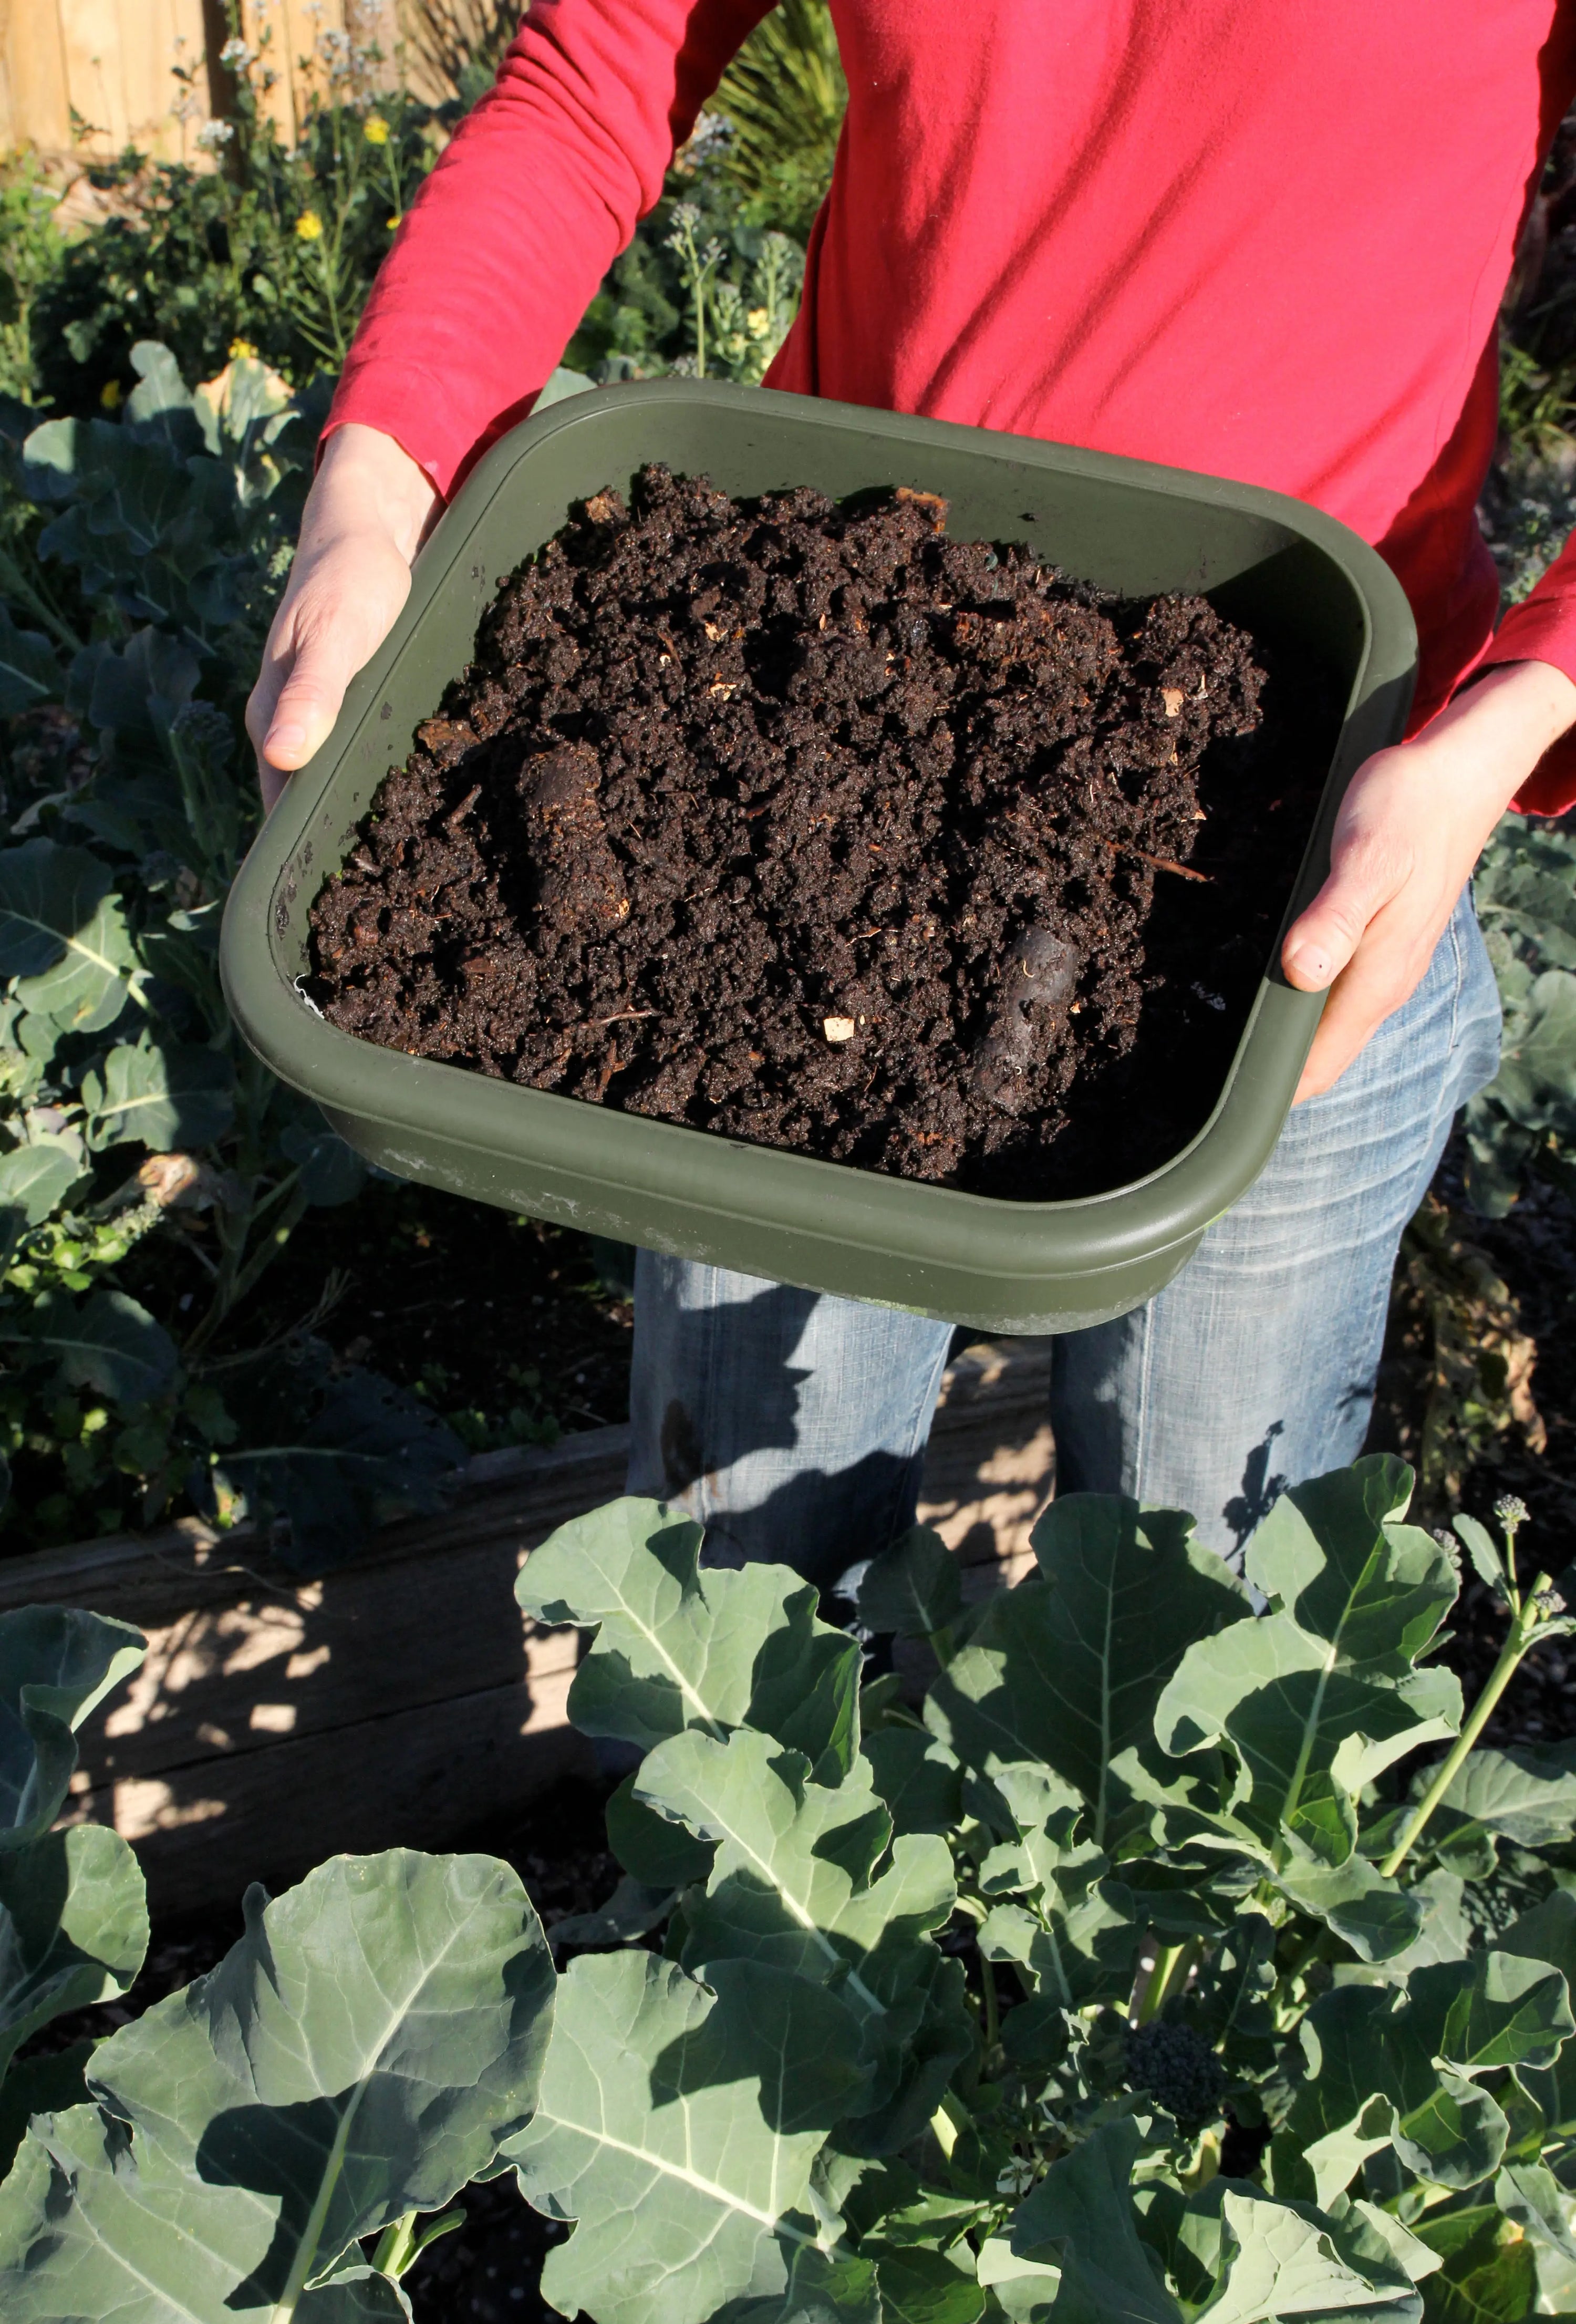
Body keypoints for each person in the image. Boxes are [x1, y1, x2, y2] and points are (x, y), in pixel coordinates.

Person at [247, 2, 1576, 1582]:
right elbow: (601, 70)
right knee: (741, 1613)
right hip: (802, 709)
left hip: (1312, 829)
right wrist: (378, 479)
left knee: (1198, 1637)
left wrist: (1513, 717)